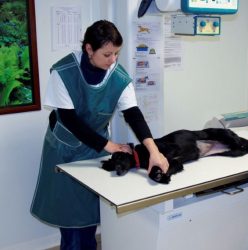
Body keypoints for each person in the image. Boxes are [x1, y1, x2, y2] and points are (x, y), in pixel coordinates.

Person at [30, 20, 169, 250]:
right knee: (71, 224)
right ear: (88, 49)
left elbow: (134, 114)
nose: (113, 59)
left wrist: (154, 152)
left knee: (89, 220)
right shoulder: (63, 72)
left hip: (96, 150)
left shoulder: (118, 77)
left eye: (116, 53)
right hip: (64, 150)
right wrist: (111, 146)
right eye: (107, 54)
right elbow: (69, 120)